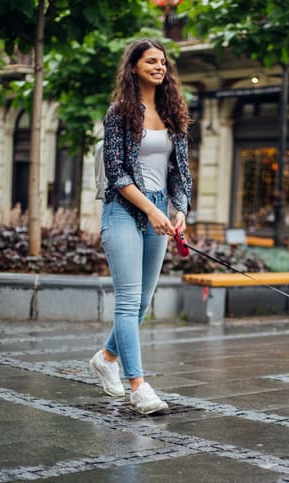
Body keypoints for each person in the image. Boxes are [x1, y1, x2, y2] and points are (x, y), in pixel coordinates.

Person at [89, 38, 192, 414]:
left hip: (161, 211)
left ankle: (106, 358)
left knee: (144, 302)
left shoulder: (174, 113)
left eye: (163, 62)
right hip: (124, 210)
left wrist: (179, 209)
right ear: (134, 67)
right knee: (129, 300)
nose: (159, 67)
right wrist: (151, 209)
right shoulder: (119, 113)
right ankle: (139, 386)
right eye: (151, 61)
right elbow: (116, 173)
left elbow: (181, 173)